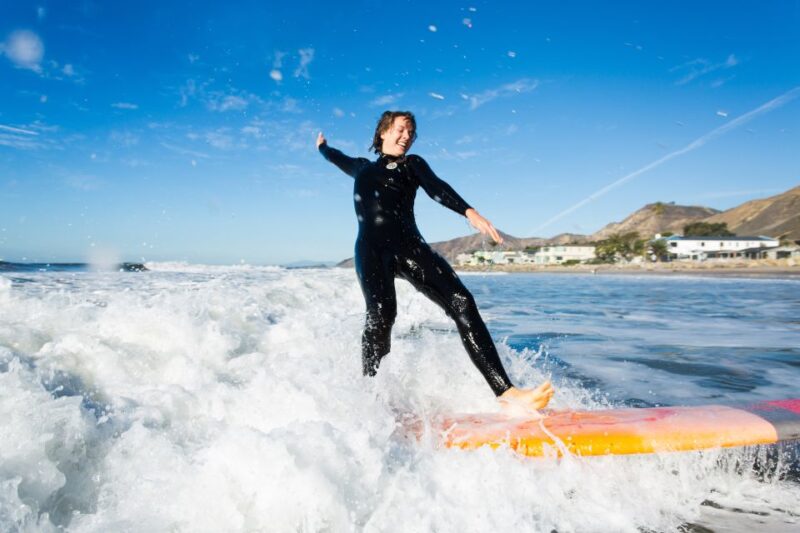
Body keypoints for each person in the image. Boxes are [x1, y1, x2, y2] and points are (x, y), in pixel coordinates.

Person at [317, 110, 553, 412]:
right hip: (371, 250)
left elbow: (436, 187)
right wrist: (323, 147)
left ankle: (506, 392)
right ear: (383, 132)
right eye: (401, 129)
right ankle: (372, 401)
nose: (407, 136)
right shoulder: (361, 167)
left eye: (411, 132)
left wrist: (468, 211)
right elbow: (335, 157)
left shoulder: (413, 164)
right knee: (381, 316)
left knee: (462, 302)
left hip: (409, 246)